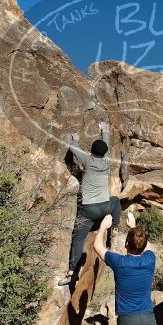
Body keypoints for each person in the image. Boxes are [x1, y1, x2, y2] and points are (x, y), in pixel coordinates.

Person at [59, 121, 122, 286]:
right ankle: (114, 229)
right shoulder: (107, 161)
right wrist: (105, 131)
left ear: (92, 151)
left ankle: (72, 271)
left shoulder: (87, 160)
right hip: (105, 207)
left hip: (88, 210)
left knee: (78, 239)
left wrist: (75, 139)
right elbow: (106, 145)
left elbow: (74, 150)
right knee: (116, 201)